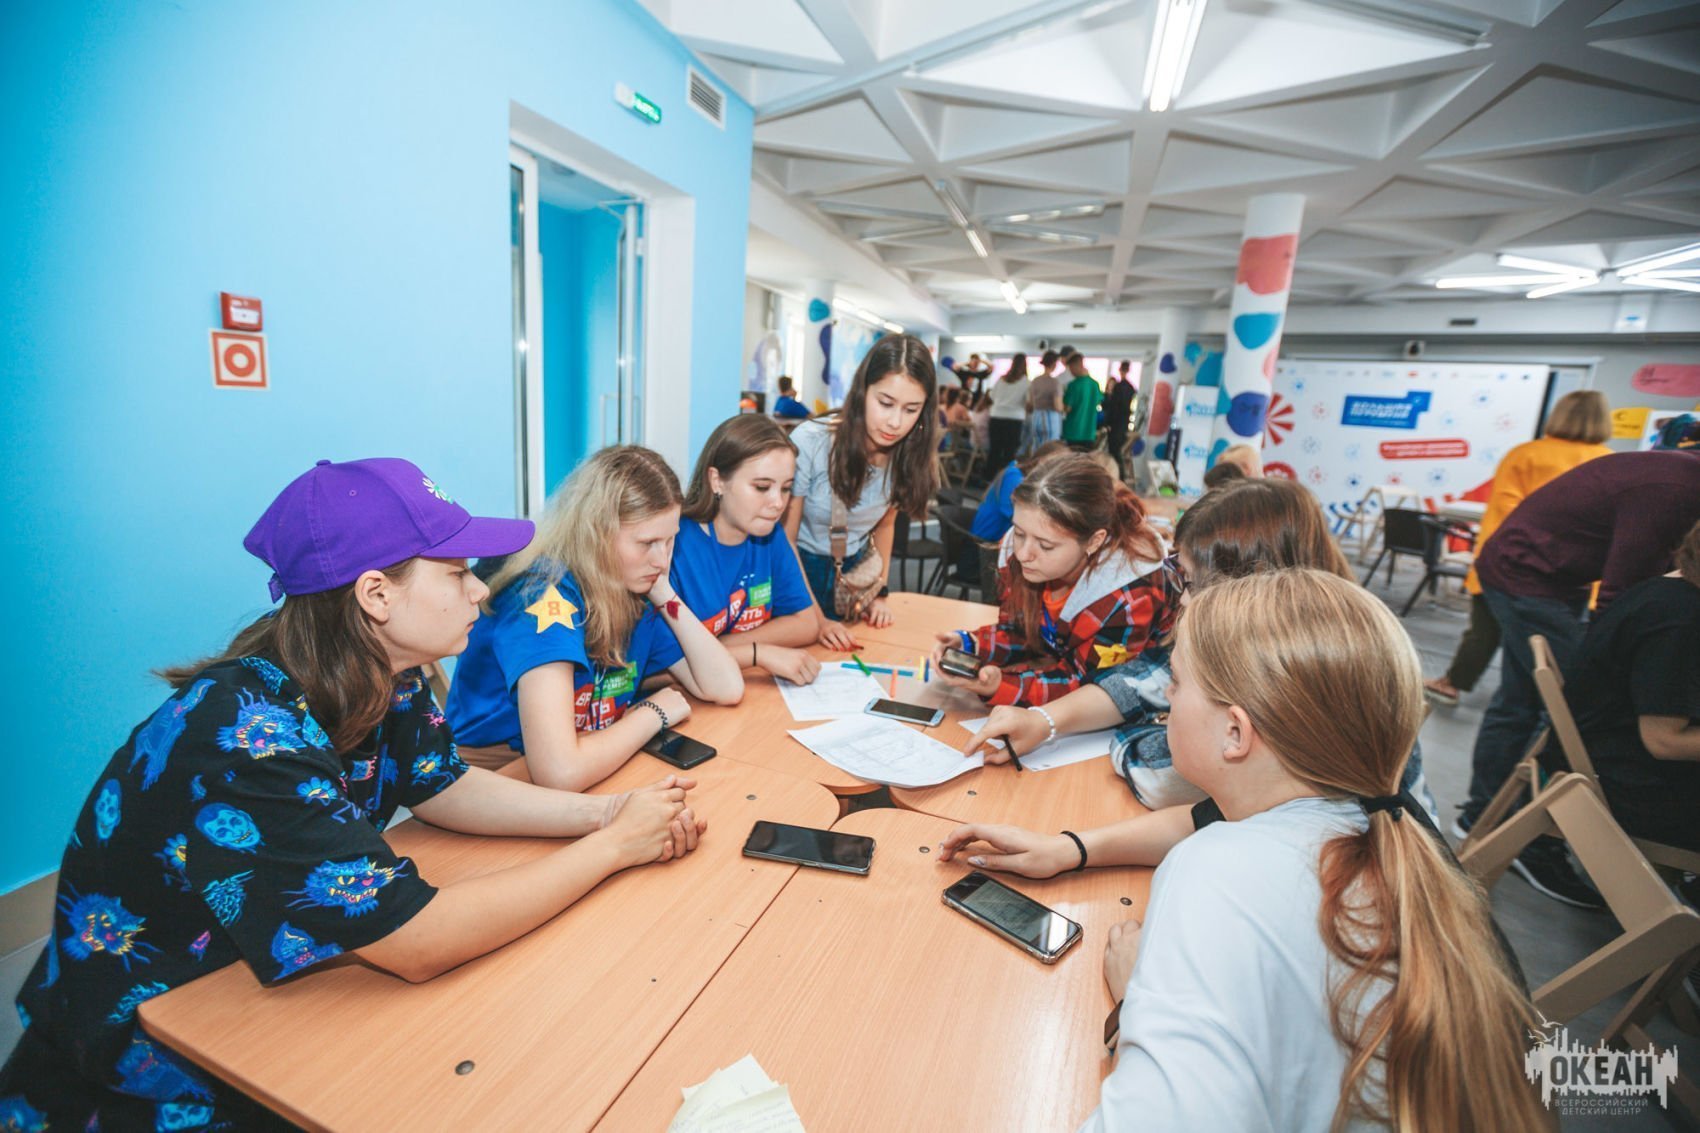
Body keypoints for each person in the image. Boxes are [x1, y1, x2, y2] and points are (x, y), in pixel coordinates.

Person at [0, 458, 708, 1130]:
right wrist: (613, 848)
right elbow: (418, 939)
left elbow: (445, 785)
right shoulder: (248, 739)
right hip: (151, 1062)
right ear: (376, 595)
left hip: (261, 985)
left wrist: (602, 813)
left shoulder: (385, 669)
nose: (480, 591)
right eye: (457, 573)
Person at [1046, 571, 1543, 1130]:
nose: (1166, 696)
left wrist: (1136, 1004)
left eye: (1178, 683)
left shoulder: (1219, 874)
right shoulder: (1389, 831)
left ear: (1236, 733)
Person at [1457, 418, 1700, 905]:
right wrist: (1623, 669)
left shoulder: (1680, 478)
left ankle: (1487, 814)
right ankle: (1535, 839)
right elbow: (1621, 595)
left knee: (1524, 702)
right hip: (1526, 573)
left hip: (1549, 574)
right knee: (1567, 708)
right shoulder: (1673, 490)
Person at [445, 447, 744, 790]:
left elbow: (725, 687)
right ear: (597, 534)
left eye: (670, 540)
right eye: (647, 542)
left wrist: (663, 592)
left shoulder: (636, 585)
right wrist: (653, 714)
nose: (662, 560)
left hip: (589, 750)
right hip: (497, 772)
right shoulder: (544, 594)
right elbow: (559, 772)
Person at [930, 454, 1171, 706]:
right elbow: (1020, 631)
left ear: (1094, 541)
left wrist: (1001, 687)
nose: (1023, 554)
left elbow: (1091, 689)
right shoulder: (1018, 551)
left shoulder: (1130, 595)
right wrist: (973, 644)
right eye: (1019, 533)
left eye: (1046, 546)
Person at [1423, 390, 1612, 707]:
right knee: (1542, 650)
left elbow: (1504, 515)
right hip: (1570, 577)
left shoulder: (1526, 455)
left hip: (1509, 565)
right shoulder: (1607, 461)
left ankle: (1453, 683)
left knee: (1484, 629)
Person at [784, 333, 939, 650]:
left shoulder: (908, 453)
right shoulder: (811, 441)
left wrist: (878, 592)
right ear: (862, 392)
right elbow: (785, 540)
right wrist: (816, 619)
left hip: (853, 576)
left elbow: (886, 526)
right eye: (885, 403)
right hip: (798, 573)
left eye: (911, 409)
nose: (895, 422)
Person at [1561, 518, 1700, 852]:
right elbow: (1663, 742)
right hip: (1624, 784)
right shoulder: (1682, 620)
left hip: (1606, 756)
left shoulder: (1669, 589)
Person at [671, 415, 823, 686]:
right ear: (717, 481)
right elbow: (656, 668)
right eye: (762, 487)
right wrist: (755, 652)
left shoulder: (769, 533)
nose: (778, 503)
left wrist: (716, 647)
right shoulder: (674, 546)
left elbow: (806, 623)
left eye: (786, 488)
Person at [986, 352, 1029, 472]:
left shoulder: (1001, 379)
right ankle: (1006, 477)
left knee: (994, 449)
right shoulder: (1026, 382)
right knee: (1009, 451)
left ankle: (989, 476)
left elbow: (992, 396)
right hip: (1014, 419)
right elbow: (1028, 402)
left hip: (996, 417)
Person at [1062, 352, 1103, 451]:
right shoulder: (1095, 385)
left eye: (1070, 368)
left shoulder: (1073, 385)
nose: (1071, 372)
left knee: (1072, 460)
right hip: (1089, 433)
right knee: (1085, 460)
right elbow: (1098, 402)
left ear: (1076, 366)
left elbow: (1067, 408)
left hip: (1073, 432)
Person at [1024, 350, 1064, 453]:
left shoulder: (1035, 381)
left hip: (1036, 417)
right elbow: (1057, 406)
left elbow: (1030, 404)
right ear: (1054, 364)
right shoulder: (1054, 382)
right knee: (1050, 450)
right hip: (1050, 417)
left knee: (1037, 448)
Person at [1103, 360, 1137, 479]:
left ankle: (1118, 476)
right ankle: (1120, 476)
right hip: (1124, 424)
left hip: (1116, 424)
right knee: (1118, 452)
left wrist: (1108, 423)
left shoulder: (1118, 387)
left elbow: (1114, 407)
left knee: (1114, 453)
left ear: (1120, 370)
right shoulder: (1131, 387)